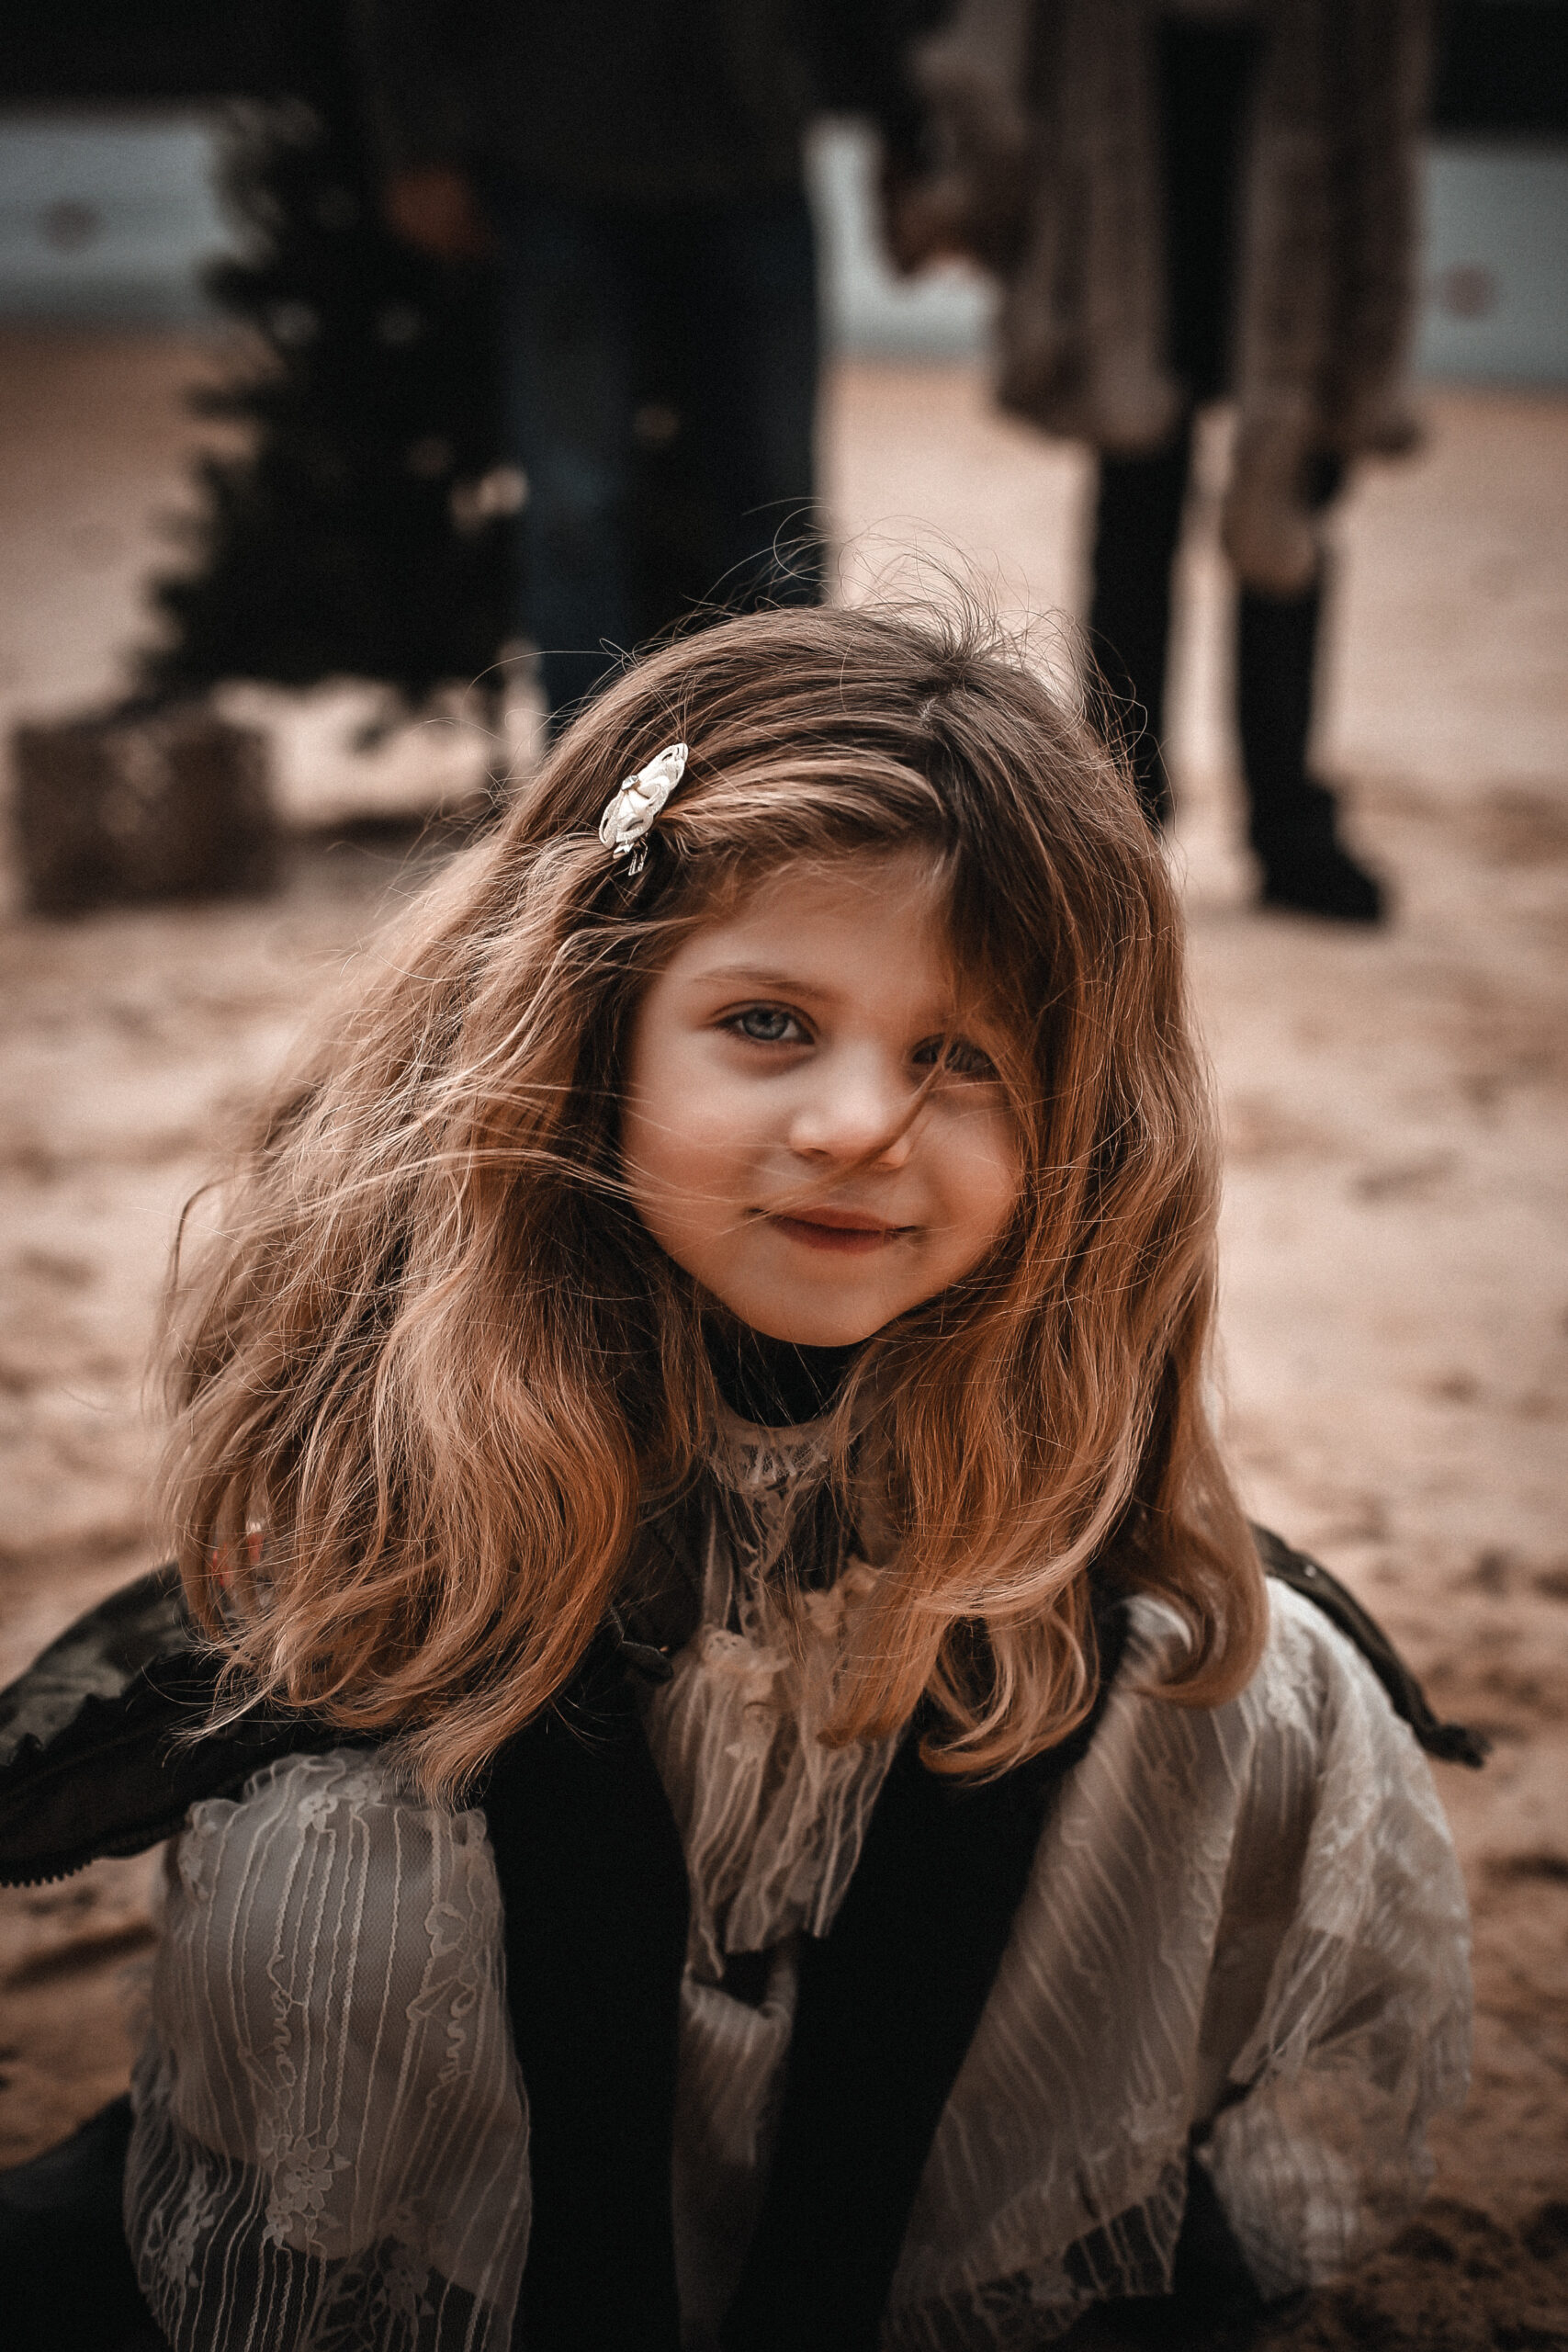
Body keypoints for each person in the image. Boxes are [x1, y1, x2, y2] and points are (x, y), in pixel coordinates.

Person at [5, 605, 1469, 2350]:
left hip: (923, 2017)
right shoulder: (471, 1372)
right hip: (515, 2081)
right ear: (594, 1019)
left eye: (963, 1056)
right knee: (373, 1792)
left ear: (1080, 1121)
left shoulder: (1041, 1389)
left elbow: (970, 1850)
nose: (862, 1123)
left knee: (1205, 1688)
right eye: (770, 1021)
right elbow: (558, 1875)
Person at [895, 0, 1436, 922]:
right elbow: (1002, 73)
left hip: (1301, 252)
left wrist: (1368, 340)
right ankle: (1118, 812)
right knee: (1135, 525)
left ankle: (1285, 818)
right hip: (1135, 247)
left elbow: (1381, 132)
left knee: (1283, 519)